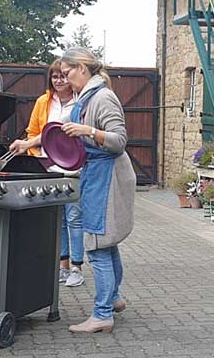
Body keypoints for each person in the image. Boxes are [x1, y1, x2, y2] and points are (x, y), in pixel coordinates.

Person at [59, 47, 135, 334]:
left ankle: (102, 314)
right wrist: (29, 144)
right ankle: (113, 299)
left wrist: (88, 131)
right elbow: (62, 129)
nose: (64, 79)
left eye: (67, 73)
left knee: (96, 246)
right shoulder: (85, 98)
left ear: (81, 68)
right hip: (95, 174)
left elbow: (119, 141)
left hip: (107, 176)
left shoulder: (103, 97)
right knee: (107, 243)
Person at [10, 60, 85, 287]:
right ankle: (63, 266)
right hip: (49, 168)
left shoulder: (80, 101)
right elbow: (33, 132)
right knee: (57, 218)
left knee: (74, 218)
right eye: (55, 76)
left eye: (63, 76)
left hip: (74, 169)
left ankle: (77, 267)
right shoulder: (44, 101)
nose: (59, 80)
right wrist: (34, 153)